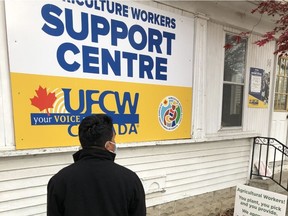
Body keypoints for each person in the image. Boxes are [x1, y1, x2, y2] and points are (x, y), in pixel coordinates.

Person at [47, 114, 146, 216]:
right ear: (108, 145)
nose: (115, 142)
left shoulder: (59, 181)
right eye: (113, 139)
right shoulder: (130, 180)